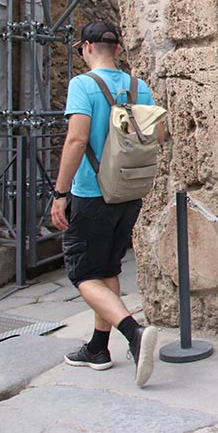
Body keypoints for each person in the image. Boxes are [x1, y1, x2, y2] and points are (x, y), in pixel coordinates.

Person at [50, 21, 165, 387]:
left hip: (91, 193)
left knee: (83, 274)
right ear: (116, 49)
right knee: (107, 268)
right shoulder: (139, 87)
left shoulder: (82, 85)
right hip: (128, 193)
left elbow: (76, 140)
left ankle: (133, 332)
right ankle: (98, 348)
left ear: (86, 48)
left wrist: (60, 193)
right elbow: (158, 135)